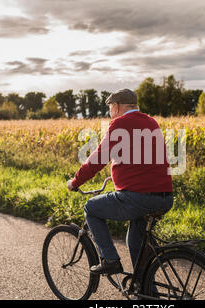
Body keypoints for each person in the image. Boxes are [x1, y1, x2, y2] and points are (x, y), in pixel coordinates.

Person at [67, 88, 173, 275]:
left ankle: (110, 259)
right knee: (135, 241)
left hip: (138, 198)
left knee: (91, 208)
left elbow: (98, 159)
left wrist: (75, 182)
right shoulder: (151, 122)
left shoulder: (119, 124)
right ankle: (145, 290)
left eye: (110, 108)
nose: (110, 112)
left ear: (115, 106)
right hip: (164, 197)